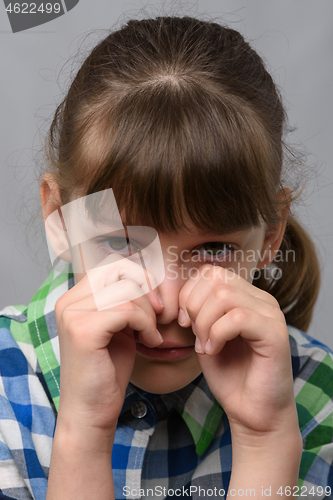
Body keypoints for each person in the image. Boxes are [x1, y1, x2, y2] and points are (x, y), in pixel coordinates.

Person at [0, 15, 332, 500]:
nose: (169, 302)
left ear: (270, 234)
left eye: (213, 249)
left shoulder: (316, 398)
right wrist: (83, 435)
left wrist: (267, 441)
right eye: (122, 243)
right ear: (60, 218)